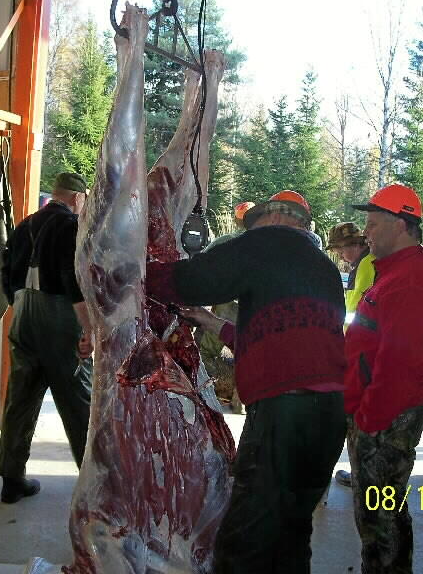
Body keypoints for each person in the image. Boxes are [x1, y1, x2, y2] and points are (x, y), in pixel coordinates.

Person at [147, 189, 347, 574]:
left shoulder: (269, 242)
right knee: (292, 531)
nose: (252, 231)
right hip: (329, 417)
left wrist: (137, 274)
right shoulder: (324, 268)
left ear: (276, 218)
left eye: (256, 223)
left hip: (283, 414)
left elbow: (194, 280)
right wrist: (211, 323)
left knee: (244, 540)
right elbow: (285, 337)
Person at [345, 184, 423, 573]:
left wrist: (369, 419)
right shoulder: (393, 273)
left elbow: (400, 366)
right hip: (377, 417)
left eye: (373, 224)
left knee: (380, 522)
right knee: (380, 517)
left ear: (400, 225)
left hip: (385, 421)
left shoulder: (412, 280)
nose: (365, 232)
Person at [0, 172, 94, 504]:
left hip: (23, 317)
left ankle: (11, 480)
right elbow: (72, 280)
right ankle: (94, 488)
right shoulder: (70, 226)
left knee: (20, 400)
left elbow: (6, 273)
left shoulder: (24, 225)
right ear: (77, 198)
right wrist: (89, 329)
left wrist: (21, 304)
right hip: (59, 319)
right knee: (79, 402)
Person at [326, 222, 376, 488]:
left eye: (340, 250)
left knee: (355, 412)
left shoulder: (366, 265)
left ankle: (362, 474)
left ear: (353, 245)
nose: (340, 256)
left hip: (359, 347)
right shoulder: (363, 263)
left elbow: (357, 306)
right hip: (360, 345)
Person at [197, 201, 254, 414]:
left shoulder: (226, 240)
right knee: (245, 352)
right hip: (252, 306)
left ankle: (203, 395)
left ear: (236, 220)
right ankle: (240, 402)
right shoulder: (264, 244)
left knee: (206, 350)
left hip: (227, 304)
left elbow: (202, 262)